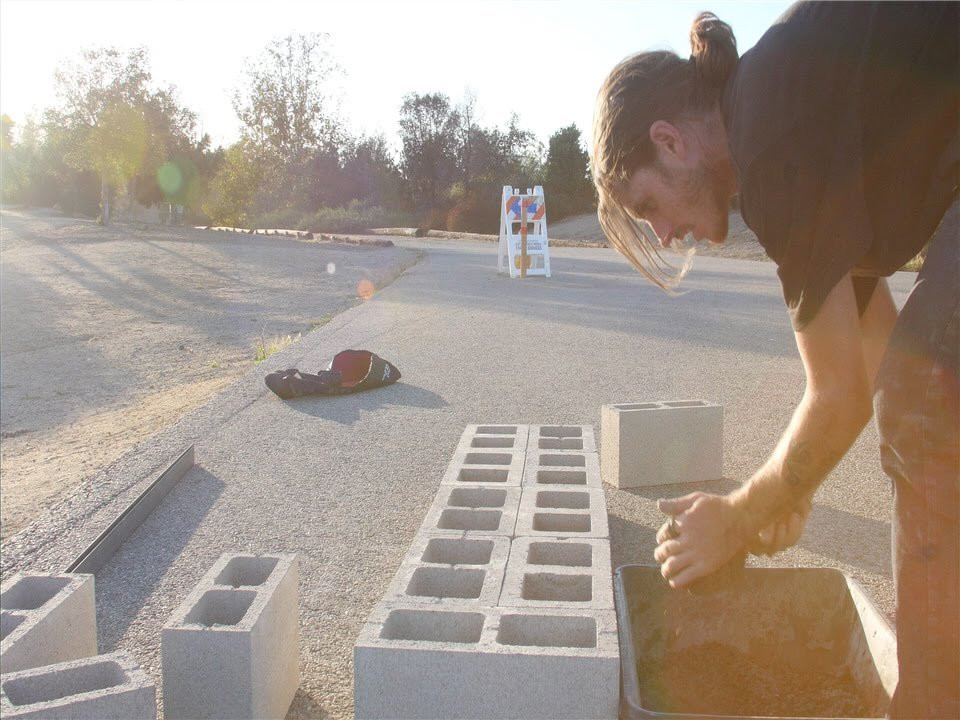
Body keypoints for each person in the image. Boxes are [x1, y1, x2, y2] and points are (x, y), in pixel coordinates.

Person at [591, 2, 958, 717]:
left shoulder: (769, 136)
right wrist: (785, 489)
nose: (664, 234)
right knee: (921, 388)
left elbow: (844, 396)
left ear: (669, 142)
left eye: (649, 206)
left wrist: (738, 513)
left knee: (925, 402)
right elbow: (876, 365)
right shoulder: (782, 107)